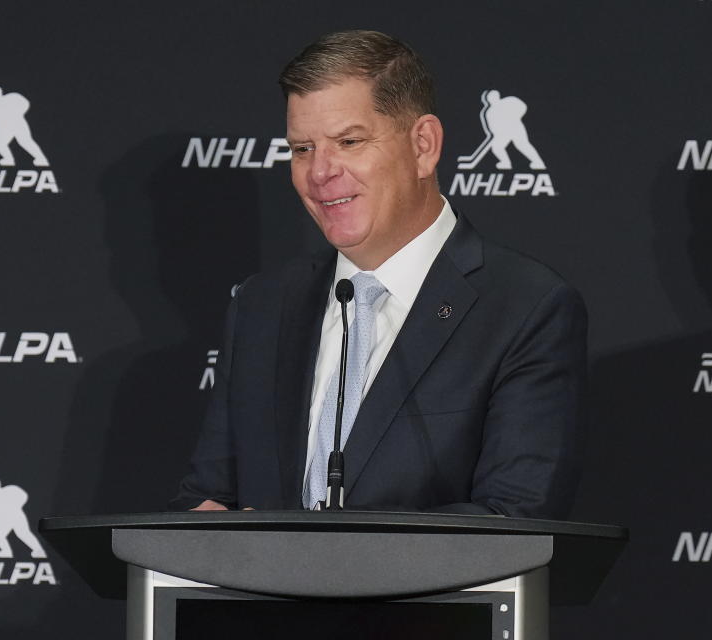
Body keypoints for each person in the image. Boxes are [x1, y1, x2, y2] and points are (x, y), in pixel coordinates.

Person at [171, 30, 586, 518]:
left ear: (423, 146)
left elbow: (515, 517)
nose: (321, 172)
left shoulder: (525, 307)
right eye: (302, 149)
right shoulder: (263, 305)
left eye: (349, 141)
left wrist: (310, 560)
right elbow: (208, 496)